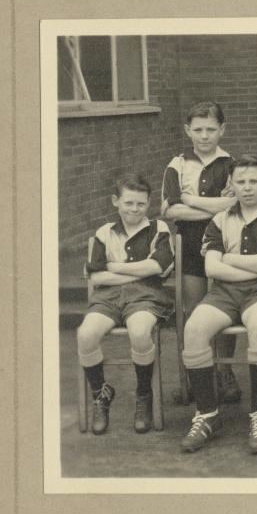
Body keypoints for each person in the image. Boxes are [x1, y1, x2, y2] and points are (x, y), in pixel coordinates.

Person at [179, 155, 257, 454]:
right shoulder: (219, 220)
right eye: (241, 182)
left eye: (254, 181)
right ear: (231, 184)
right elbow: (212, 270)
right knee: (194, 328)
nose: (247, 188)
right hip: (225, 292)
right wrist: (255, 265)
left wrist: (230, 259)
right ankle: (207, 414)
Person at [77, 173, 174, 435]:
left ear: (149, 203)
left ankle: (144, 393)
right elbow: (96, 275)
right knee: (86, 334)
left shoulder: (159, 229)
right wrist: (139, 269)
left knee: (140, 331)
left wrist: (115, 267)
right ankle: (101, 393)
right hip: (107, 296)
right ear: (115, 202)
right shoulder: (104, 233)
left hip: (146, 295)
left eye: (141, 204)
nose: (135, 209)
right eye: (128, 203)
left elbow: (159, 267)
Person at [160, 101, 241, 403]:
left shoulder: (232, 164)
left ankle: (224, 370)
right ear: (187, 130)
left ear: (222, 130)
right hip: (190, 243)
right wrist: (209, 206)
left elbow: (234, 205)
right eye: (198, 130)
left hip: (225, 243)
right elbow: (170, 210)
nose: (204, 136)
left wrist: (190, 200)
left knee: (224, 309)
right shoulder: (177, 164)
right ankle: (195, 374)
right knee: (192, 311)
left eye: (210, 129)